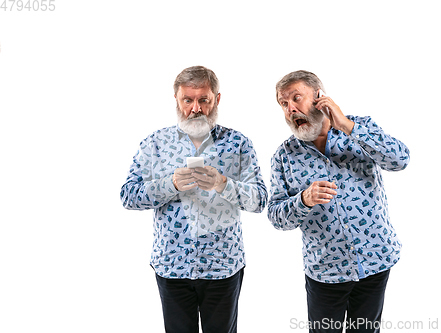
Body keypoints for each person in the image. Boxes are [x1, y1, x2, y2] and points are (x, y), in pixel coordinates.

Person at [120, 66, 267, 333]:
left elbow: (260, 200)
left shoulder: (238, 144)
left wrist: (224, 184)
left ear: (217, 100)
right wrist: (170, 184)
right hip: (172, 266)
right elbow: (128, 196)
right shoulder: (155, 143)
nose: (195, 108)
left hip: (223, 266)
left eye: (204, 100)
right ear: (176, 100)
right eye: (188, 100)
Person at [267, 70, 410, 333]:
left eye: (296, 98)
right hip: (325, 271)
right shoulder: (284, 156)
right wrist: (303, 201)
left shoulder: (359, 128)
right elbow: (276, 217)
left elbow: (400, 160)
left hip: (374, 259)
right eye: (284, 104)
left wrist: (347, 126)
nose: (291, 110)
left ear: (320, 97)